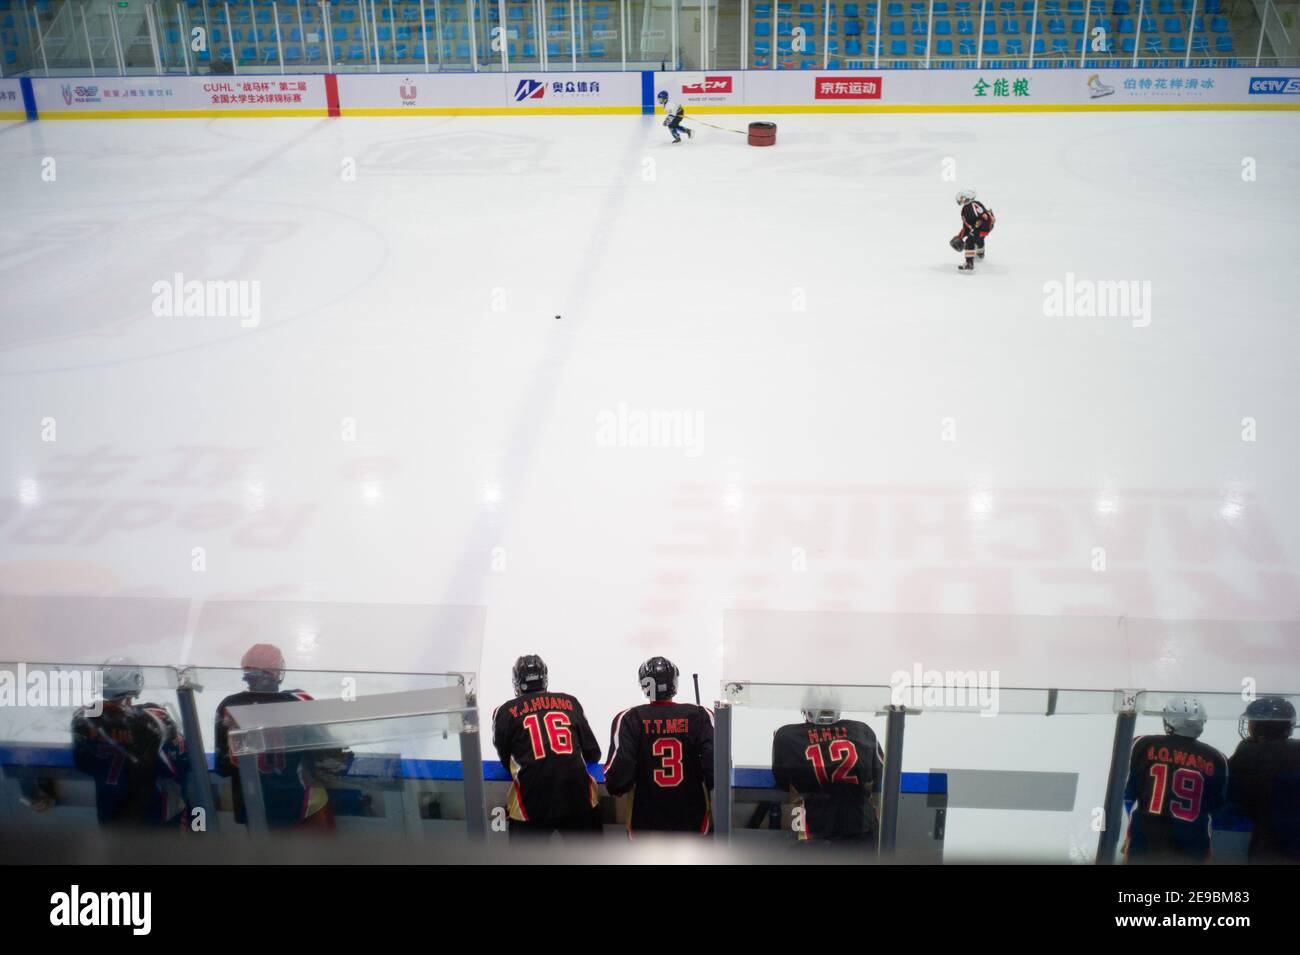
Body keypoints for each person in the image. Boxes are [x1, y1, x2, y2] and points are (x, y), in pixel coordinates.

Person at [214, 643, 346, 831]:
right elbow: (329, 756)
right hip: (302, 805)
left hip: (254, 809)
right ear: (276, 672)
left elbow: (223, 767)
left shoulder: (229, 706)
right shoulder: (298, 702)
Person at [492, 654, 603, 841]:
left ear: (517, 683)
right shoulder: (570, 702)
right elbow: (593, 753)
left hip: (531, 803)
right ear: (544, 678)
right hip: (578, 798)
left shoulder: (504, 712)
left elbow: (505, 759)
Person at [71, 658, 189, 828]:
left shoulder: (82, 718)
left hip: (110, 813)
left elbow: (83, 764)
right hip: (155, 812)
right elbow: (179, 765)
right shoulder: (153, 718)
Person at [604, 656, 713, 836]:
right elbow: (715, 769)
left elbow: (618, 780)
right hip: (692, 820)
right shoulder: (700, 715)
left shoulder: (630, 719)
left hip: (645, 822)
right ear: (674, 683)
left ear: (645, 685)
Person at [1123, 696, 1228, 863]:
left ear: (1169, 719)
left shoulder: (1142, 744)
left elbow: (1126, 792)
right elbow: (1217, 806)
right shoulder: (1217, 758)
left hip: (1146, 841)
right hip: (1193, 845)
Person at [771, 690, 883, 847]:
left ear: (806, 710)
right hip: (860, 823)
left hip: (817, 825)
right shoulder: (862, 731)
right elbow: (879, 777)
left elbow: (782, 782)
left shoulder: (787, 736)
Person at [1224, 696, 1299, 863]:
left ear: (1263, 725)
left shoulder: (1248, 751)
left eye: (1252, 720)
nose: (1250, 725)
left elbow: (1230, 793)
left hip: (1267, 843)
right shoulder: (1296, 750)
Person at [950, 188, 995, 272]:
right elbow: (967, 226)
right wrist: (960, 236)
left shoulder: (975, 205)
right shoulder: (965, 209)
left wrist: (983, 231)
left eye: (962, 198)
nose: (960, 200)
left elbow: (986, 218)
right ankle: (980, 253)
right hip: (978, 228)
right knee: (978, 239)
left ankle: (969, 264)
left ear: (968, 197)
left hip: (983, 227)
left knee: (969, 241)